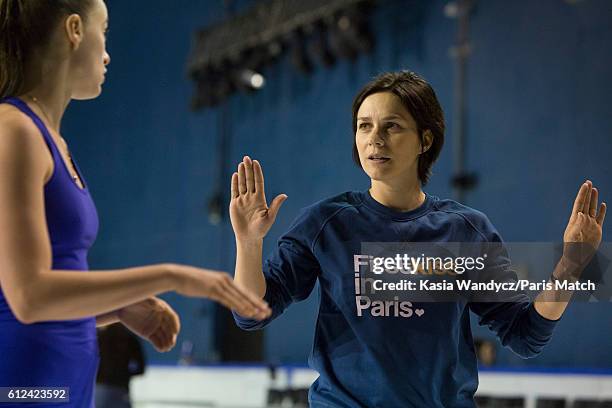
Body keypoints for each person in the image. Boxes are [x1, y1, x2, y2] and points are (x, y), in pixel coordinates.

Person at [229, 71, 606, 407]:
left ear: (425, 140)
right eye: (364, 126)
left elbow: (526, 335)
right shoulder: (326, 223)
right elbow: (251, 313)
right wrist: (248, 243)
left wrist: (570, 267)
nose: (374, 139)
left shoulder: (465, 231)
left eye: (391, 126)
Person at [0, 1, 270, 407]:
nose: (107, 53)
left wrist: (117, 307)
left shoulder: (50, 140)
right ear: (74, 29)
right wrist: (171, 275)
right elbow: (28, 296)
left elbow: (41, 309)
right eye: (103, 31)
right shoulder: (14, 130)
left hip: (60, 387)